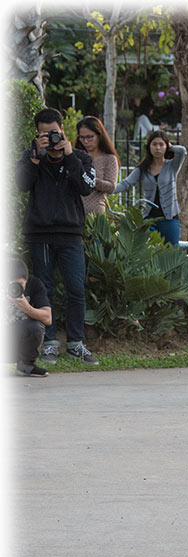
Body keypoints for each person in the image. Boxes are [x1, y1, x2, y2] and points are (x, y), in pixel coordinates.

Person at [15, 107, 99, 366]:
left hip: (71, 233)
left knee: (76, 288)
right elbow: (19, 185)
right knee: (45, 289)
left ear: (62, 130)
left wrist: (71, 156)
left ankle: (76, 343)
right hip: (39, 233)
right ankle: (49, 343)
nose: (49, 138)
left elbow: (87, 187)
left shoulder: (81, 157)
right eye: (43, 134)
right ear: (36, 134)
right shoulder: (30, 157)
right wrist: (35, 159)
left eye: (53, 133)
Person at [114, 130, 187, 246]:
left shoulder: (172, 165)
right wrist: (107, 188)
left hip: (169, 218)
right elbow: (126, 184)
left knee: (170, 254)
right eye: (154, 144)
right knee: (146, 252)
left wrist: (170, 146)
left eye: (161, 144)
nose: (157, 148)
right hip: (149, 219)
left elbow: (182, 151)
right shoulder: (142, 169)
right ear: (149, 147)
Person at [6, 257, 52, 377]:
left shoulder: (35, 284)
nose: (15, 288)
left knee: (36, 326)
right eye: (11, 284)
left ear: (26, 280)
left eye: (20, 284)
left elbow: (48, 318)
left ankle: (26, 365)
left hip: (17, 340)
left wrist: (27, 308)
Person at [74, 116, 121, 215]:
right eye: (82, 137)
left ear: (99, 135)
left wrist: (88, 179)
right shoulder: (75, 156)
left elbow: (111, 187)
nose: (85, 141)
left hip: (95, 214)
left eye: (90, 137)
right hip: (73, 211)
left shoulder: (109, 158)